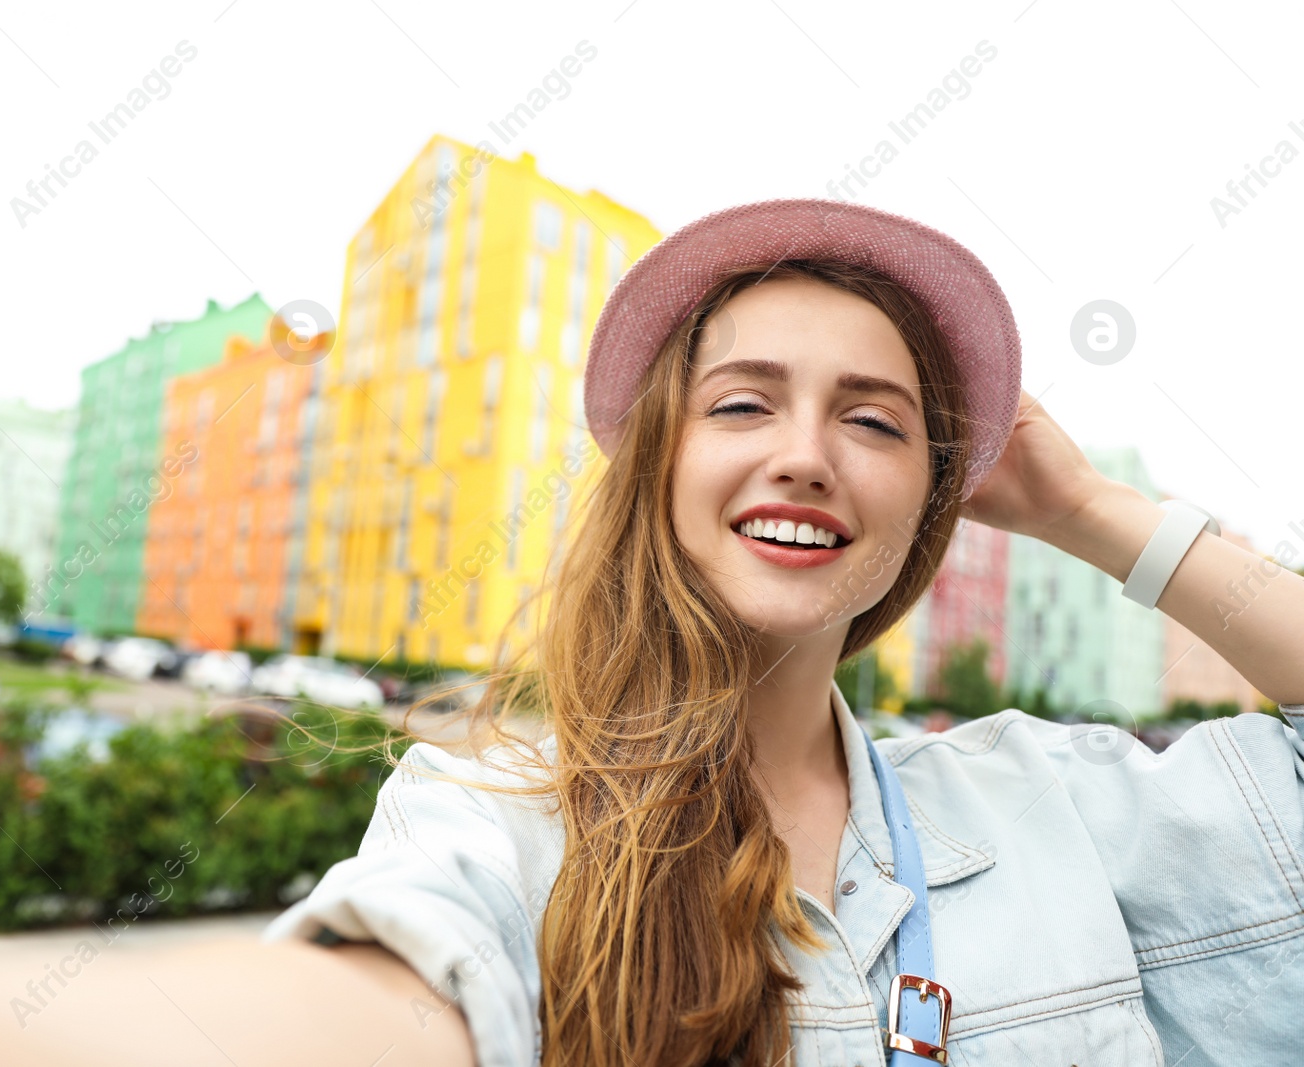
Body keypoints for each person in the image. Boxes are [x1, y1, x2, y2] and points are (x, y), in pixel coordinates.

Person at [259, 200, 1304, 1067]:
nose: (805, 454)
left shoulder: (1052, 802)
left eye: (872, 420)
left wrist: (1086, 509)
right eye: (743, 404)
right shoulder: (490, 820)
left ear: (929, 504)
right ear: (661, 466)